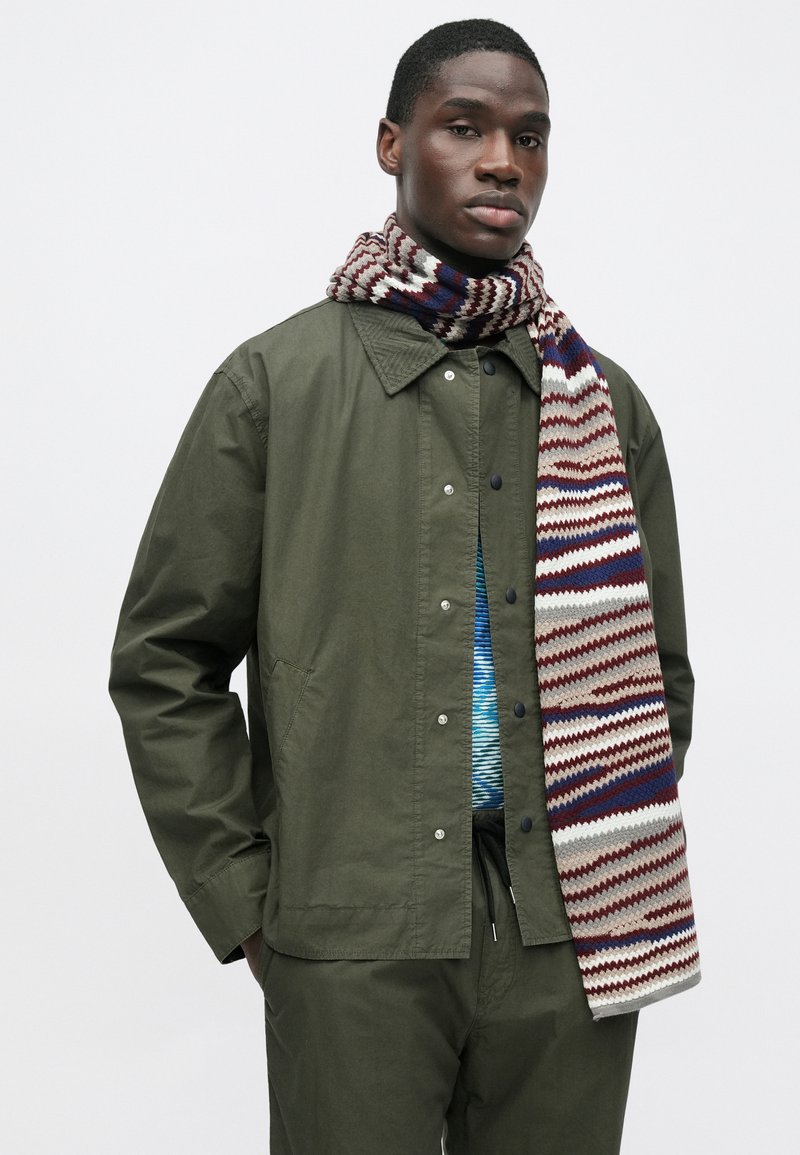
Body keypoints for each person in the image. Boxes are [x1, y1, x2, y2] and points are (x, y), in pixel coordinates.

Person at [109, 18, 700, 1154]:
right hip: (352, 940)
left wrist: (597, 853)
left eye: (529, 137)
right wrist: (250, 905)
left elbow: (658, 675)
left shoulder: (600, 404)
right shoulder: (273, 387)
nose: (502, 163)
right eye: (464, 127)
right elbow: (164, 664)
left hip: (571, 940)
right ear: (392, 144)